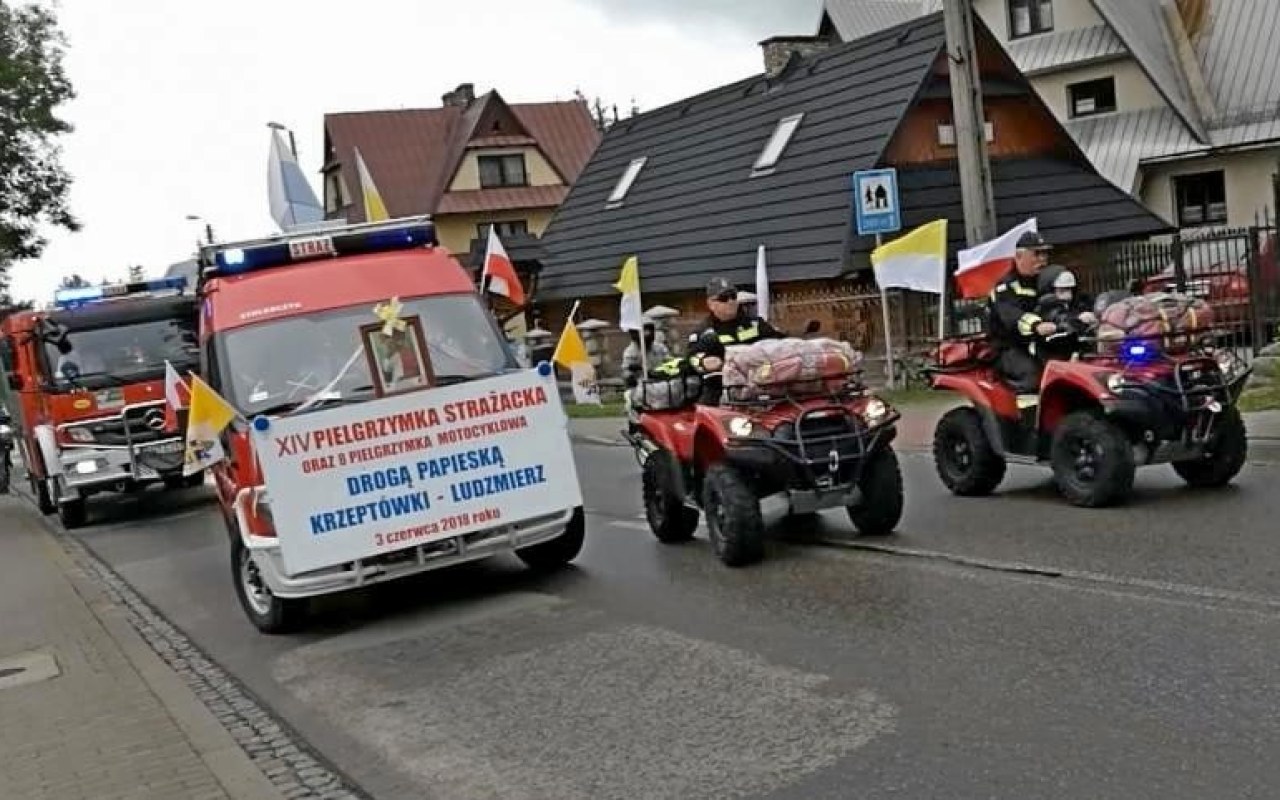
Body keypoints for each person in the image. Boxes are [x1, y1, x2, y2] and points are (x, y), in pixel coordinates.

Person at [686, 277, 786, 403]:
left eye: (733, 296)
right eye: (724, 298)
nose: (730, 301)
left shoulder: (755, 323)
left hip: (763, 383)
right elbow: (690, 359)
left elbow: (779, 344)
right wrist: (703, 362)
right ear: (710, 304)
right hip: (722, 389)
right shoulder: (703, 331)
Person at [987, 231, 1061, 392]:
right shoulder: (1005, 287)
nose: (1043, 259)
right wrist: (1036, 325)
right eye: (1037, 254)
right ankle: (1024, 415)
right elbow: (1011, 316)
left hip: (1046, 343)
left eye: (1045, 253)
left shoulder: (1048, 282)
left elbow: (1068, 301)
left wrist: (1085, 314)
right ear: (1019, 256)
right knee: (1034, 378)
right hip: (1010, 348)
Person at [1034, 269, 1098, 362]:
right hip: (1054, 354)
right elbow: (1059, 318)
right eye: (1062, 290)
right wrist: (1078, 319)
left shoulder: (1079, 302)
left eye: (1070, 289)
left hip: (1077, 352)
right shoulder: (1046, 306)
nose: (1068, 295)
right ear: (1050, 289)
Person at [621, 322, 671, 389]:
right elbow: (626, 371)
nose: (648, 334)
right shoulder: (630, 352)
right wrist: (632, 375)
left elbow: (669, 361)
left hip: (662, 383)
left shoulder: (660, 347)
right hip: (642, 386)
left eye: (650, 331)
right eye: (645, 331)